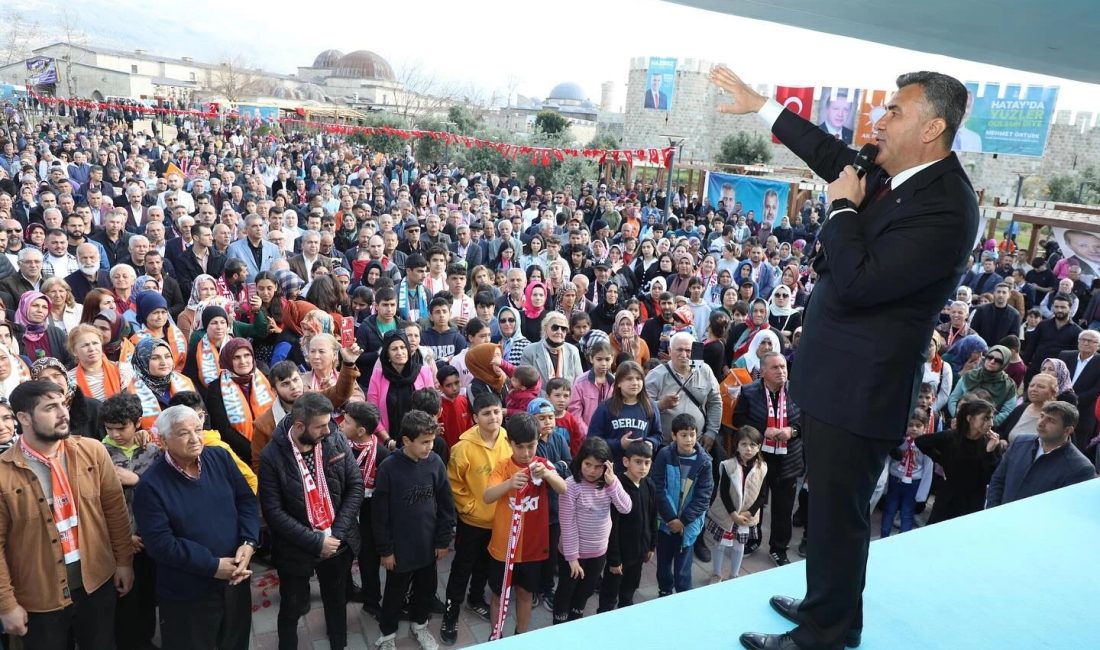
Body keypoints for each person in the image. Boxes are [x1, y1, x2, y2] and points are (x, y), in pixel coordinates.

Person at [708, 66, 980, 650]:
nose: (879, 121)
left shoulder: (948, 207)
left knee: (838, 517)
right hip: (836, 379)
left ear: (933, 127)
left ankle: (825, 635)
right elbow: (827, 152)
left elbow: (859, 282)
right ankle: (823, 603)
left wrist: (839, 210)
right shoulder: (892, 170)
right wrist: (762, 105)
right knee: (830, 509)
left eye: (895, 112)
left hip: (863, 391)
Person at [0, 380, 134, 649]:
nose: (63, 413)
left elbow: (115, 512)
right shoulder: (4, 473)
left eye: (63, 403)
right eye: (50, 407)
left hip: (97, 584)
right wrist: (6, 604)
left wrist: (124, 562)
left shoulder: (92, 451)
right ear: (23, 418)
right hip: (40, 599)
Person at [133, 405, 259, 650]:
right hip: (188, 594)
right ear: (163, 440)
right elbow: (161, 545)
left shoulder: (219, 457)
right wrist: (213, 566)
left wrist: (248, 543)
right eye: (183, 433)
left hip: (235, 579)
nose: (194, 439)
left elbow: (246, 500)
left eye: (198, 430)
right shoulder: (151, 486)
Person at [259, 392, 364, 650]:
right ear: (299, 426)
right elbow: (273, 512)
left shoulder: (335, 439)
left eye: (328, 423)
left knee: (336, 601)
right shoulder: (272, 456)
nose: (327, 430)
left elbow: (355, 486)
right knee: (292, 606)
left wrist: (335, 535)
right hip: (296, 549)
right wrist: (316, 541)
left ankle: (338, 644)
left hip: (337, 543)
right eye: (320, 426)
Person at [373, 410, 454, 650]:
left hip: (428, 547)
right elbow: (379, 514)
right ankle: (387, 635)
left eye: (431, 440)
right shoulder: (389, 468)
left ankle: (420, 625)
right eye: (424, 442)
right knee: (394, 594)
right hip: (399, 550)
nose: (430, 446)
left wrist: (442, 541)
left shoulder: (435, 463)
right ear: (407, 441)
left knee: (426, 590)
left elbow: (446, 505)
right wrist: (386, 551)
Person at [483, 411, 567, 637]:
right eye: (519, 447)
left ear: (538, 441)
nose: (526, 453)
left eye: (531, 446)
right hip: (503, 548)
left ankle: (521, 634)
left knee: (526, 594)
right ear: (509, 443)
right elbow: (488, 496)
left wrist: (548, 475)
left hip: (532, 549)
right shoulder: (502, 466)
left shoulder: (542, 464)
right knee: (499, 595)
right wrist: (509, 483)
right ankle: (496, 635)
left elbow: (563, 488)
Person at [440, 392, 510, 644]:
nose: (493, 417)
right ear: (475, 418)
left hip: (500, 520)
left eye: (496, 411)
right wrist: (469, 508)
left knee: (485, 564)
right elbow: (454, 484)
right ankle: (451, 612)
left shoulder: (507, 438)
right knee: (462, 568)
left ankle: (476, 598)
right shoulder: (462, 448)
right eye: (486, 413)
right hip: (472, 522)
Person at [99, 393, 161, 650]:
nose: (115, 434)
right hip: (120, 543)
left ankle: (145, 640)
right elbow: (94, 505)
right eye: (109, 428)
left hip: (153, 539)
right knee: (125, 601)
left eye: (121, 427)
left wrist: (137, 481)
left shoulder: (153, 450)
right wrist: (123, 538)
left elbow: (165, 491)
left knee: (149, 597)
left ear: (137, 423)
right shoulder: (98, 455)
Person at [553, 437, 632, 624]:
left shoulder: (610, 483)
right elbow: (567, 523)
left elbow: (626, 507)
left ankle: (576, 618)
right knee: (566, 591)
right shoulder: (571, 485)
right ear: (580, 461)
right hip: (573, 555)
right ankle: (559, 623)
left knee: (585, 591)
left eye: (598, 466)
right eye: (587, 464)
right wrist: (572, 558)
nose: (591, 471)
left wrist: (613, 483)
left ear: (607, 466)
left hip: (598, 552)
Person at [986, 401, 1095, 508]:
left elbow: (1067, 509)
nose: (1041, 423)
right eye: (1042, 416)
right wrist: (993, 511)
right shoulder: (1020, 443)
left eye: (1051, 420)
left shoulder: (1080, 468)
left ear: (1067, 430)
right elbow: (998, 480)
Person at [915, 398, 1005, 524]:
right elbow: (921, 442)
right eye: (985, 418)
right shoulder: (951, 437)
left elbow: (990, 478)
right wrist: (942, 460)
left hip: (973, 500)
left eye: (991, 418)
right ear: (970, 418)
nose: (991, 423)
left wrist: (989, 453)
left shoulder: (992, 444)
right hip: (948, 496)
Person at [651, 413, 713, 595]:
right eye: (683, 435)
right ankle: (664, 590)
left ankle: (684, 596)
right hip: (665, 523)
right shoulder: (664, 455)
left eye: (692, 434)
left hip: (688, 526)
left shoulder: (704, 462)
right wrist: (671, 518)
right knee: (663, 563)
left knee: (683, 568)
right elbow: (658, 487)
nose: (688, 439)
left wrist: (683, 521)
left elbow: (703, 497)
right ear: (674, 435)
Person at [340, 400, 389, 618]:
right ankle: (347, 590)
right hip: (343, 508)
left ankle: (371, 600)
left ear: (361, 431)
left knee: (369, 558)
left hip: (369, 511)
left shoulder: (383, 455)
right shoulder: (338, 447)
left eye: (347, 422)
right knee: (343, 554)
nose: (341, 424)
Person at [597, 439, 657, 612]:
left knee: (628, 593)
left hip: (638, 554)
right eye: (638, 462)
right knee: (609, 597)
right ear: (626, 462)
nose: (643, 467)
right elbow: (613, 526)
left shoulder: (649, 485)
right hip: (620, 556)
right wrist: (614, 559)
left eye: (647, 463)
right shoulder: (618, 487)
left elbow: (653, 518)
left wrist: (651, 545)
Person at [704, 426, 767, 582]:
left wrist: (749, 513)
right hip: (727, 513)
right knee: (720, 544)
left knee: (739, 546)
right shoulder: (728, 465)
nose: (748, 449)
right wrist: (733, 514)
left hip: (746, 516)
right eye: (744, 444)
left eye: (753, 445)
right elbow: (723, 493)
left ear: (759, 447)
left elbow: (762, 494)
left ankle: (734, 575)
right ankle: (716, 574)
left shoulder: (762, 467)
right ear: (736, 445)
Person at [366, 330, 436, 444]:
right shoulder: (378, 376)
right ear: (387, 354)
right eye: (394, 349)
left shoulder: (423, 372)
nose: (400, 352)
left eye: (403, 347)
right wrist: (387, 440)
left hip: (419, 440)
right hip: (389, 440)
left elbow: (432, 407)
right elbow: (372, 413)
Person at [586, 361, 662, 463]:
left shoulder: (650, 406)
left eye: (638, 379)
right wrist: (619, 444)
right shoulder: (605, 407)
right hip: (612, 467)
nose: (635, 383)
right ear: (618, 383)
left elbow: (657, 434)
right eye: (629, 379)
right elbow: (593, 440)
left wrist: (651, 443)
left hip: (639, 469)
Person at [879, 409, 934, 538]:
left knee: (907, 512)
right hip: (895, 479)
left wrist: (922, 494)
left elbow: (928, 470)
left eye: (918, 425)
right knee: (889, 510)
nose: (914, 429)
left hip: (913, 483)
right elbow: (889, 461)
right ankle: (884, 537)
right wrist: (885, 485)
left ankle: (903, 539)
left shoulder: (926, 445)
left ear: (924, 427)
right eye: (911, 425)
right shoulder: (899, 441)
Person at [946, 345, 1017, 427]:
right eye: (990, 357)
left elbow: (1007, 411)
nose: (992, 361)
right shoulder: (969, 375)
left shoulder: (1008, 385)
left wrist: (985, 422)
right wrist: (960, 416)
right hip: (962, 423)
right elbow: (953, 399)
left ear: (1004, 364)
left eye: (998, 360)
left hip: (987, 428)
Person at [1057, 329, 1100, 451]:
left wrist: (1072, 400)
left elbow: (1097, 390)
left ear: (1098, 345)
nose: (1086, 343)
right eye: (1083, 340)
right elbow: (1056, 378)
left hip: (1084, 413)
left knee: (1075, 449)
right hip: (1059, 406)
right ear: (1078, 341)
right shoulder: (1065, 355)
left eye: (1091, 341)